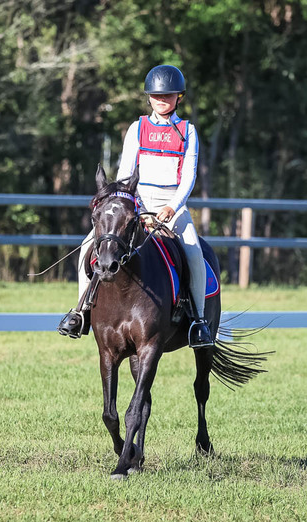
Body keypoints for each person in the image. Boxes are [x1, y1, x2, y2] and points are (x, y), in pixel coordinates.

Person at [58, 64, 213, 348]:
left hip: (172, 207)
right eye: (157, 96)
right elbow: (125, 174)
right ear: (149, 97)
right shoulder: (137, 128)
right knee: (87, 246)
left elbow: (189, 177)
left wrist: (171, 207)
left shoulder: (187, 131)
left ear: (179, 97)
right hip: (136, 205)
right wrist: (132, 207)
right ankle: (80, 312)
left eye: (168, 96)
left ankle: (199, 322)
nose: (162, 100)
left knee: (193, 252)